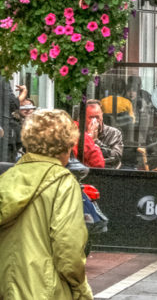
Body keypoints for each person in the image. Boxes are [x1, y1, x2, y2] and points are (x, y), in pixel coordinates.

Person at [0, 109, 94, 299]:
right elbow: (67, 249)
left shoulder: (6, 179)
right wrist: (81, 289)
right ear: (65, 146)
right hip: (46, 290)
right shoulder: (63, 182)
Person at [85, 100, 123, 169]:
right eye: (91, 117)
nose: (95, 121)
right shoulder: (78, 133)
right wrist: (88, 139)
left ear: (102, 115)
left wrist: (96, 141)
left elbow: (116, 157)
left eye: (97, 117)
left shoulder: (114, 133)